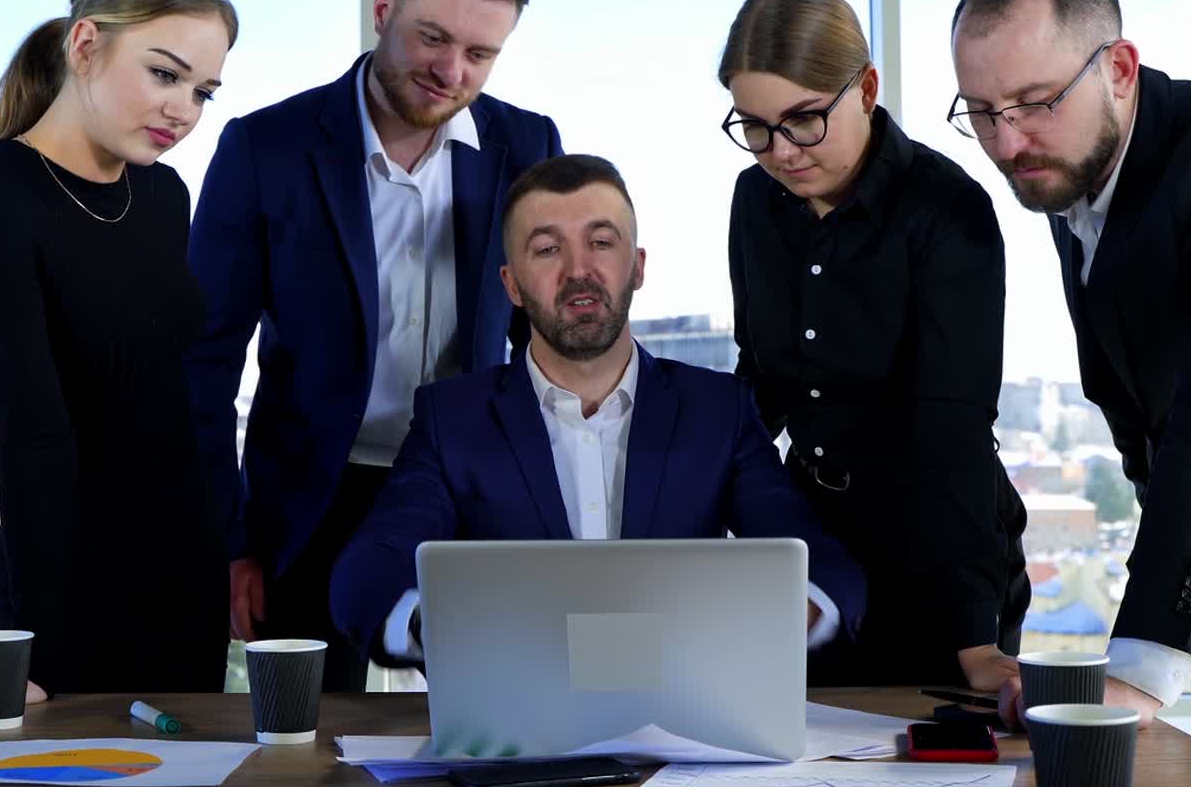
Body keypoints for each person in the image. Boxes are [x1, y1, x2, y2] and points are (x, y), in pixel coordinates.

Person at [186, 0, 562, 691]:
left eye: (481, 54)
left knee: (496, 727)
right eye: (433, 37)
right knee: (304, 754)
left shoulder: (528, 146)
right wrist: (230, 543)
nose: (452, 71)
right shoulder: (266, 150)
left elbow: (544, 341)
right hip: (309, 506)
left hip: (468, 491)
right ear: (384, 7)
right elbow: (203, 366)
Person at [329, 154, 867, 672]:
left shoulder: (718, 411)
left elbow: (819, 560)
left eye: (601, 242)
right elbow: (369, 571)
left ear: (636, 267)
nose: (578, 271)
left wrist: (784, 618)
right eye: (546, 249)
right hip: (513, 735)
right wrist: (449, 627)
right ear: (511, 285)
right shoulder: (452, 420)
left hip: (688, 727)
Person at [0, 0, 237, 696]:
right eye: (165, 74)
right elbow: (34, 433)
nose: (183, 109)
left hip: (185, 573)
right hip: (73, 586)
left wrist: (221, 556)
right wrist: (29, 648)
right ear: (85, 45)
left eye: (204, 91)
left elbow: (174, 401)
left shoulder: (165, 197)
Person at [719, 0, 1029, 692]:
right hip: (815, 547)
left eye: (803, 119)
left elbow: (953, 429)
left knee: (927, 781)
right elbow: (759, 381)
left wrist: (971, 635)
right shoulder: (754, 201)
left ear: (865, 87)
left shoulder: (948, 208)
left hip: (939, 550)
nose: (780, 151)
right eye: (755, 126)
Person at [950, 0, 1191, 724]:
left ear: (1120, 71)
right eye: (983, 112)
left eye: (1033, 103)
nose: (1007, 143)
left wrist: (1140, 664)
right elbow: (1150, 438)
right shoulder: (1081, 174)